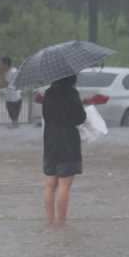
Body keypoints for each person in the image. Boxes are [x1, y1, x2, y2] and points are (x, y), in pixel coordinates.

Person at [42, 75, 86, 224]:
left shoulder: (48, 93)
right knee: (64, 184)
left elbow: (46, 116)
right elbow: (80, 118)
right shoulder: (72, 93)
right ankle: (61, 222)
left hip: (50, 141)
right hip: (68, 142)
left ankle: (50, 221)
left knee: (50, 184)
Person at [2, 57, 23, 128]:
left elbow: (5, 83)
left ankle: (14, 123)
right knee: (16, 111)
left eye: (2, 64)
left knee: (11, 110)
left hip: (11, 96)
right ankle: (15, 123)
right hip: (18, 94)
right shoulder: (15, 70)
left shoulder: (8, 72)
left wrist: (1, 74)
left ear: (6, 64)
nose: (1, 66)